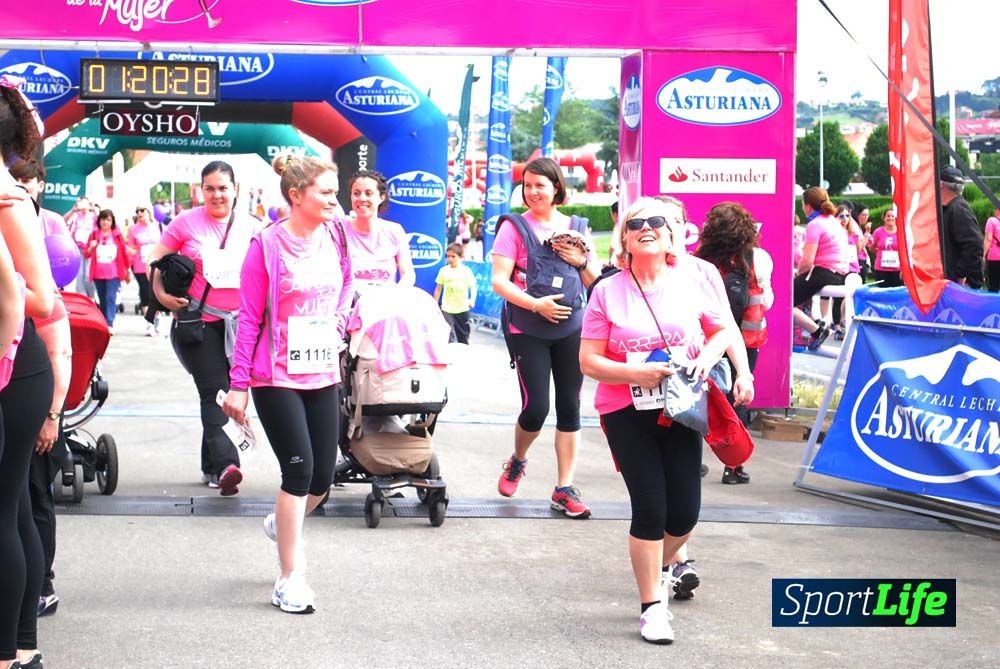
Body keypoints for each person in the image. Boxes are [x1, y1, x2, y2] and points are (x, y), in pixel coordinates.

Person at [579, 196, 753, 644]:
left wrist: (708, 360)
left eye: (656, 221)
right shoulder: (607, 290)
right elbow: (589, 361)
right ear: (625, 239)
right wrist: (633, 372)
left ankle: (654, 566)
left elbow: (722, 331)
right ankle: (651, 606)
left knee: (685, 513)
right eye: (636, 224)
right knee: (651, 507)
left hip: (682, 403)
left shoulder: (690, 282)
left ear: (671, 234)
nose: (647, 228)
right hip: (625, 409)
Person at [222, 154, 353, 614]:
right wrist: (239, 385)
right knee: (297, 473)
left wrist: (340, 319)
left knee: (322, 477)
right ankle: (289, 577)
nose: (335, 200)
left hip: (323, 371)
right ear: (296, 196)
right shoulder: (266, 246)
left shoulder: (336, 235)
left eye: (336, 192)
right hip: (275, 376)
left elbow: (347, 286)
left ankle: (284, 520)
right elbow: (249, 317)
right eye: (325, 192)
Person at [491, 157, 598, 518]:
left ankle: (563, 488)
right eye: (527, 184)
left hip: (572, 329)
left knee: (570, 407)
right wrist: (536, 305)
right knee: (536, 408)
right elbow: (499, 281)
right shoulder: (514, 227)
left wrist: (581, 261)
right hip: (528, 328)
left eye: (541, 184)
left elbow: (594, 284)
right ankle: (518, 459)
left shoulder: (577, 228)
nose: (533, 191)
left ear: (556, 188)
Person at [148, 161, 261, 495]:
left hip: (242, 326)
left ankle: (210, 464)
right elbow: (154, 261)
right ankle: (228, 465)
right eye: (209, 188)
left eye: (223, 188)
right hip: (199, 322)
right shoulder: (185, 222)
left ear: (235, 189)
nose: (217, 195)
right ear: (201, 190)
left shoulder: (254, 227)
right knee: (215, 392)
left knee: (231, 390)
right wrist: (160, 295)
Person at [0, 76, 57, 669]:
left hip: (16, 367)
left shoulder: (10, 203)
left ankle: (12, 649)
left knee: (6, 509)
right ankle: (21, 647)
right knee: (11, 506)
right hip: (17, 364)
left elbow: (45, 300)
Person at [695, 202, 773, 483]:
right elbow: (768, 300)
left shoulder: (699, 261)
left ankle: (693, 461)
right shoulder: (758, 258)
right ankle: (733, 466)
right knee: (737, 400)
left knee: (700, 397)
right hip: (746, 338)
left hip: (708, 340)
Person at [793, 187, 849, 351]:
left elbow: (807, 261)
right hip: (837, 274)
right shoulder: (834, 221)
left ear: (808, 206)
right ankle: (815, 322)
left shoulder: (815, 225)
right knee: (796, 297)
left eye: (803, 204)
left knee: (782, 301)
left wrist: (797, 273)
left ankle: (817, 331)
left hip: (822, 273)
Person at [344, 170, 415, 289]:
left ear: (381, 197)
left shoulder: (394, 231)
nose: (362, 198)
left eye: (368, 193)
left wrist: (397, 293)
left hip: (383, 304)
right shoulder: (340, 229)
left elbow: (408, 273)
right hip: (348, 305)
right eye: (356, 193)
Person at [83, 209, 129, 332]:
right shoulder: (93, 235)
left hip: (114, 273)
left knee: (110, 297)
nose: (105, 222)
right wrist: (91, 248)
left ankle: (109, 322)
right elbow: (86, 254)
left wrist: (127, 270)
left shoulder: (117, 236)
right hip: (98, 273)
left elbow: (124, 253)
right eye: (103, 219)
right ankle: (103, 321)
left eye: (108, 219)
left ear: (112, 221)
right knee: (102, 298)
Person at [939, 165, 985, 289]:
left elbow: (974, 245)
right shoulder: (950, 208)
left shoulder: (958, 209)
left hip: (961, 286)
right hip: (955, 283)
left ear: (941, 184)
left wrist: (959, 275)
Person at [433, 243, 477, 344]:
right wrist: (435, 304)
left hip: (462, 308)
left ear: (461, 257)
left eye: (453, 256)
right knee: (449, 334)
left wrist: (472, 300)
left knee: (463, 336)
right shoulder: (443, 271)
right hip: (447, 309)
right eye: (448, 256)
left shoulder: (466, 271)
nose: (450, 259)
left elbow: (473, 287)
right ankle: (450, 357)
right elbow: (438, 289)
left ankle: (463, 356)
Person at [127, 206, 161, 334]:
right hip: (140, 265)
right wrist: (129, 260)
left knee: (156, 293)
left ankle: (157, 316)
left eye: (142, 211)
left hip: (157, 265)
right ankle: (149, 323)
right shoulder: (133, 229)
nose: (139, 213)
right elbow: (130, 247)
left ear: (149, 212)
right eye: (137, 212)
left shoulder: (158, 226)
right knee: (145, 293)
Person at [64, 197, 97, 298]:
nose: (83, 208)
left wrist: (93, 209)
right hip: (77, 248)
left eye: (85, 205)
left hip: (91, 249)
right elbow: (63, 220)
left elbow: (103, 222)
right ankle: (83, 297)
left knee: (88, 275)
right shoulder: (75, 216)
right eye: (81, 205)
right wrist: (73, 210)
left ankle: (92, 297)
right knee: (79, 275)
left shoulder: (93, 216)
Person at [869, 208, 902, 287]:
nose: (890, 218)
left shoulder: (901, 231)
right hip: (881, 269)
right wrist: (880, 253)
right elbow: (872, 247)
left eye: (892, 216)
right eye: (888, 216)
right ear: (884, 218)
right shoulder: (878, 232)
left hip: (897, 269)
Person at [984, 207, 1000, 293]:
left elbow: (988, 239)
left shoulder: (991, 221)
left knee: (993, 287)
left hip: (994, 258)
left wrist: (983, 255)